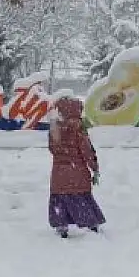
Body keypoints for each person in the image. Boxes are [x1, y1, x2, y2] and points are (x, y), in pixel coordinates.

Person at [47, 96, 105, 238]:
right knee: (81, 200)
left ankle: (61, 226)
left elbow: (52, 149)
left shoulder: (54, 128)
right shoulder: (79, 129)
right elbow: (87, 152)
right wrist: (95, 168)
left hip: (59, 176)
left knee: (60, 200)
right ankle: (91, 224)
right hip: (77, 173)